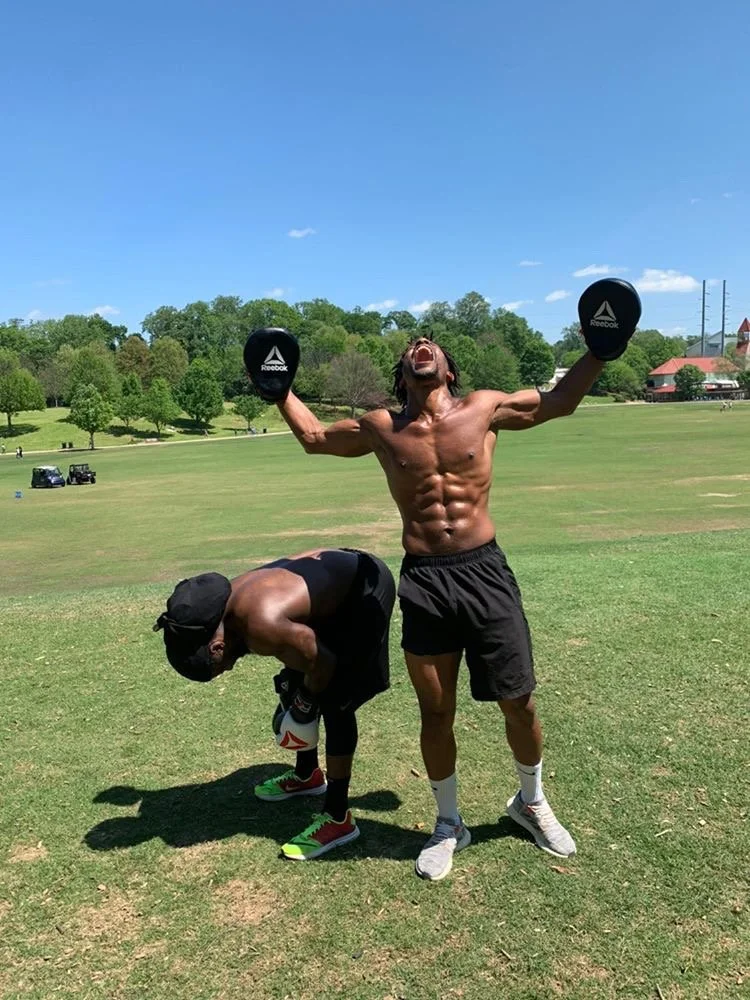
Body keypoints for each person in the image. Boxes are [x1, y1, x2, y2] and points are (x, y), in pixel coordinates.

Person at [255, 284, 640, 881]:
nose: (420, 344)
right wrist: (280, 392)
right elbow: (314, 440)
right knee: (436, 714)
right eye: (412, 344)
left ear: (449, 368)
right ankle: (447, 823)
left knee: (520, 700)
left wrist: (601, 350)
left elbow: (560, 401)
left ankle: (530, 802)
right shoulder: (384, 427)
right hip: (426, 581)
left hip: (484, 571)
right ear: (403, 372)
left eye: (430, 342)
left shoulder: (485, 408)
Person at [154, 547, 395, 860]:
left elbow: (323, 662)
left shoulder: (260, 624)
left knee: (336, 700)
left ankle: (338, 818)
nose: (227, 669)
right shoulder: (224, 608)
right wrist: (297, 695)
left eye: (219, 668)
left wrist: (305, 705)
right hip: (330, 587)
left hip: (362, 591)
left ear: (217, 647)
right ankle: (307, 775)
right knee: (292, 683)